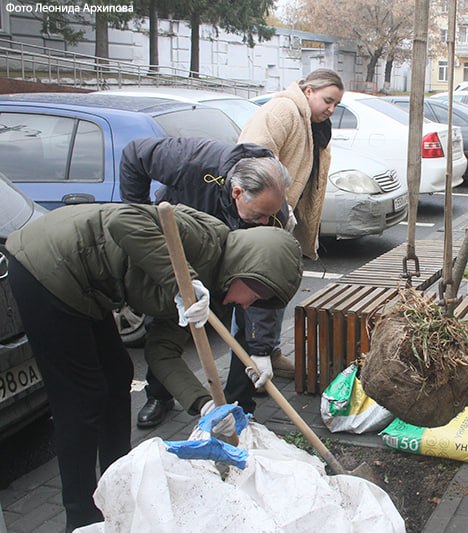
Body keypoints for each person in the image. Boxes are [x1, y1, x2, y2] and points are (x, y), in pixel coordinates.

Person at [6, 203, 303, 531]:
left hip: (88, 285)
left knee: (118, 375)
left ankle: (117, 485)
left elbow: (162, 352)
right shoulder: (202, 242)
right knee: (82, 399)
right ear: (249, 268)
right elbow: (124, 220)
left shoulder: (209, 296)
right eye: (256, 294)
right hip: (49, 262)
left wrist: (203, 404)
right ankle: (81, 517)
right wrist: (183, 283)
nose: (249, 305)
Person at [119, 136, 296, 426]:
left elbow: (264, 286)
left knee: (246, 320)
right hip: (179, 246)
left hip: (232, 261)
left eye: (270, 215)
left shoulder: (274, 213)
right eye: (260, 215)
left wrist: (262, 349)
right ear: (237, 192)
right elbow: (134, 153)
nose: (266, 222)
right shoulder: (192, 161)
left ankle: (240, 403)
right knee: (165, 318)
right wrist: (140, 211)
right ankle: (159, 394)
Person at [237, 67, 344, 400]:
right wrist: (273, 213)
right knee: (254, 294)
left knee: (276, 290)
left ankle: (267, 354)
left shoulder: (315, 125)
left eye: (336, 104)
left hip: (280, 221)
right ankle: (247, 372)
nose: (331, 109)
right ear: (308, 91)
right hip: (260, 220)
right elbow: (250, 158)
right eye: (328, 100)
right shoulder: (282, 110)